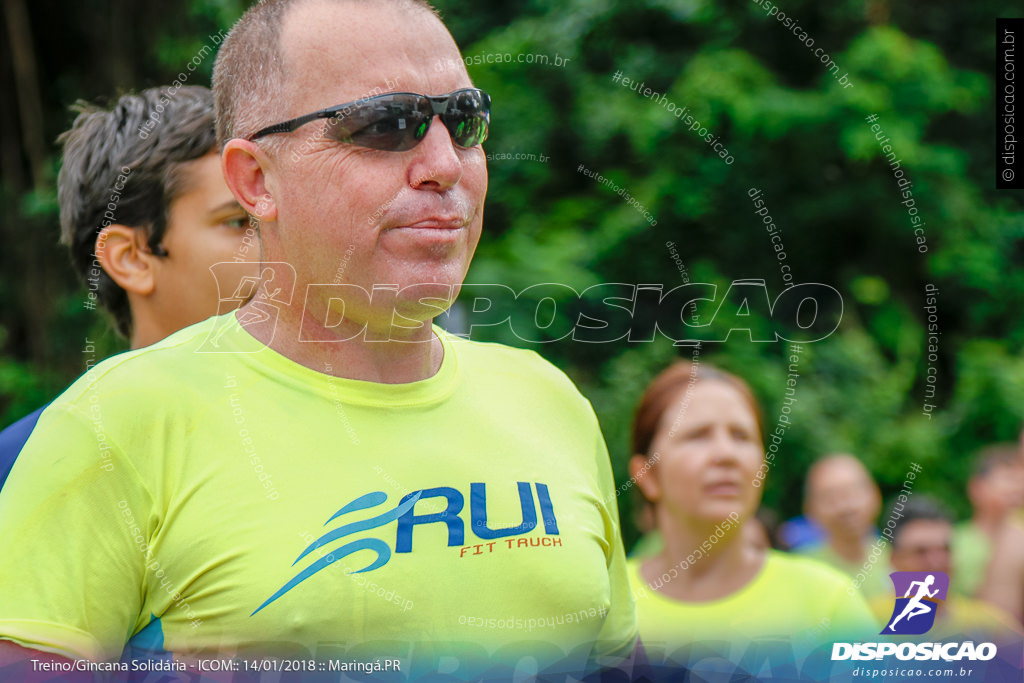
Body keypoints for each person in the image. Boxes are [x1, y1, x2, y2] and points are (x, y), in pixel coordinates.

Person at [0, 0, 638, 678]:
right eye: (389, 124)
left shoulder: (548, 401)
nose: (445, 164)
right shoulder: (111, 423)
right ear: (256, 180)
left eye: (464, 120)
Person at [0, 85, 258, 491]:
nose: (280, 248)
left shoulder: (343, 415)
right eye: (238, 222)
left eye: (274, 216)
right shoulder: (27, 468)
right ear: (132, 258)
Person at [625, 361, 876, 670]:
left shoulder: (827, 603)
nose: (726, 454)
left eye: (741, 436)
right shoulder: (602, 604)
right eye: (697, 435)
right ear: (646, 474)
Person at [870, 497, 1021, 640]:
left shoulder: (988, 626)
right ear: (894, 559)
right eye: (921, 552)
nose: (937, 562)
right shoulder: (869, 622)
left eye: (945, 549)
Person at [799, 453, 891, 601]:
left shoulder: (904, 558)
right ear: (809, 508)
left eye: (853, 492)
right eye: (830, 497)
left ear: (875, 493)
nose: (846, 507)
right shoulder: (802, 571)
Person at [953, 444, 1024, 596]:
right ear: (976, 488)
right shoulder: (954, 541)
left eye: (1020, 481)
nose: (1017, 488)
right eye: (1009, 479)